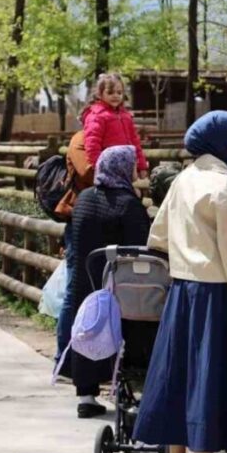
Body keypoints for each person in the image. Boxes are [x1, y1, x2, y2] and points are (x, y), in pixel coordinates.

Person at [134, 111, 227, 453]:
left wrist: (185, 255)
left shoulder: (183, 179)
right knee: (209, 378)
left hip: (182, 291)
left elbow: (157, 236)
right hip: (217, 295)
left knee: (180, 374)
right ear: (223, 143)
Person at [65, 145, 154, 418]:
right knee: (138, 329)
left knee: (90, 329)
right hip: (119, 286)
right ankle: (136, 384)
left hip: (87, 281)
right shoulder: (128, 204)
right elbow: (143, 245)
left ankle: (87, 395)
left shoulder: (85, 198)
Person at [53, 124, 94, 367]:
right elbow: (88, 172)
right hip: (80, 219)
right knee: (74, 287)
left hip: (102, 218)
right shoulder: (81, 140)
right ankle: (64, 357)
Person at [82, 73, 149, 179]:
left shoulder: (126, 116)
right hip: (107, 169)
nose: (116, 96)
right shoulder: (97, 116)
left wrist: (141, 166)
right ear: (100, 94)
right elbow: (92, 145)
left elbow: (135, 142)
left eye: (119, 92)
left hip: (126, 167)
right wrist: (98, 168)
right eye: (110, 92)